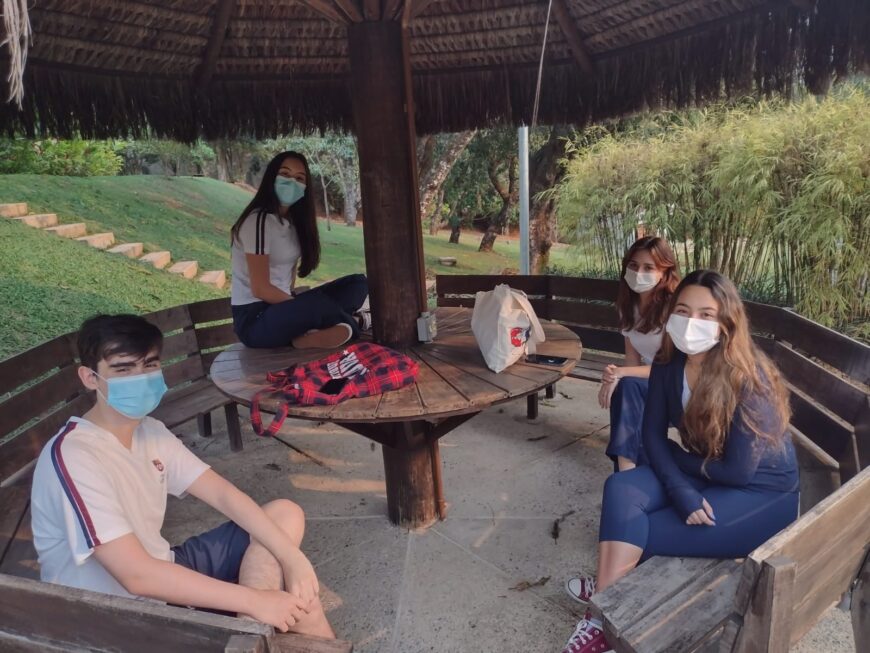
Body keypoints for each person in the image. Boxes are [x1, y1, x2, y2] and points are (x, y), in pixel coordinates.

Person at [31, 314, 335, 638]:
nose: (140, 378)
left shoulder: (150, 432)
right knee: (302, 606)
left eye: (149, 365)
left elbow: (223, 495)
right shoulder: (75, 456)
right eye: (123, 369)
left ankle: (248, 628)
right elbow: (136, 576)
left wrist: (292, 559)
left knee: (284, 513)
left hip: (166, 569)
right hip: (119, 616)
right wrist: (256, 599)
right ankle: (251, 626)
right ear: (90, 378)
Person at [561, 270, 799, 653]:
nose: (692, 322)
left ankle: (604, 605)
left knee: (641, 531)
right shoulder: (670, 363)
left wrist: (676, 460)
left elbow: (737, 472)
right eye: (684, 310)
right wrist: (679, 488)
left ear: (726, 323)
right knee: (621, 488)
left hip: (762, 496)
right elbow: (653, 436)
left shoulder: (749, 379)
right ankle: (606, 603)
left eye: (707, 314)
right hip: (708, 471)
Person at [231, 150, 369, 350]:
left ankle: (307, 333)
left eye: (299, 178)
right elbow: (260, 289)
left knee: (357, 284)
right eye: (285, 174)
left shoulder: (294, 223)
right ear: (272, 177)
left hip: (284, 308)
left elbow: (289, 278)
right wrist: (302, 307)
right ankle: (357, 322)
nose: (292, 182)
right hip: (255, 319)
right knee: (316, 304)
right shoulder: (257, 221)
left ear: (305, 186)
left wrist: (300, 309)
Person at [598, 236, 681, 472]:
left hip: (677, 387)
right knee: (625, 388)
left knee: (627, 387)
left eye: (648, 268)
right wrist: (615, 375)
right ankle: (630, 470)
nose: (638, 273)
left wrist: (621, 373)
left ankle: (626, 473)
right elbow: (632, 359)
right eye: (633, 265)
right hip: (651, 385)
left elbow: (673, 367)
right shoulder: (628, 306)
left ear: (664, 272)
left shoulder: (674, 309)